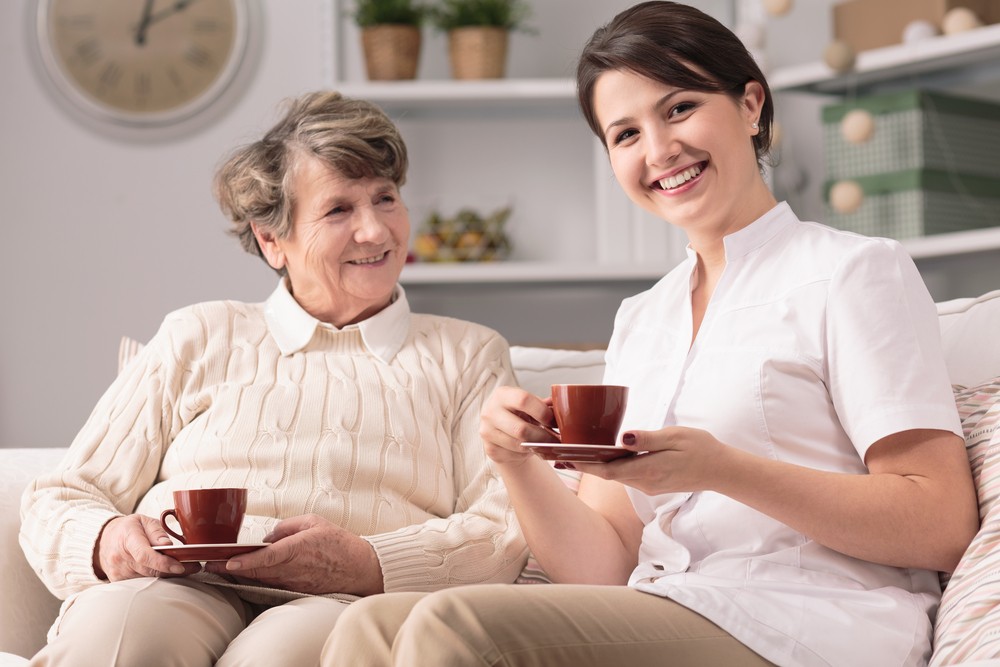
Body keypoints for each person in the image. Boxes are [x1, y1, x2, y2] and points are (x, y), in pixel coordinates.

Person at [319, 3, 980, 666]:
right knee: (368, 627)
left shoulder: (854, 272)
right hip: (668, 604)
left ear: (751, 105)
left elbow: (940, 522)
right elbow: (606, 561)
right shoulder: (644, 317)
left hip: (810, 624)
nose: (660, 151)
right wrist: (515, 462)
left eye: (679, 108)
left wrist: (723, 468)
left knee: (451, 624)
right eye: (626, 134)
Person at [19, 91, 527, 666]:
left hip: (344, 599)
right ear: (271, 240)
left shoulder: (467, 354)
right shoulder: (199, 334)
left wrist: (366, 562)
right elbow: (61, 496)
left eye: (386, 199)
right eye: (339, 210)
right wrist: (111, 539)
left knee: (278, 657)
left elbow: (502, 527)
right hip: (182, 583)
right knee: (120, 633)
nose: (375, 231)